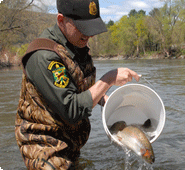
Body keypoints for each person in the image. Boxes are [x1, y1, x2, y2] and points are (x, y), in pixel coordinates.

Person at [15, 0, 140, 169]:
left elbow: (76, 87)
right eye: (82, 28)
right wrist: (109, 79)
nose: (88, 35)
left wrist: (103, 98)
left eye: (91, 28)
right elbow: (72, 109)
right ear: (61, 20)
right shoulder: (44, 56)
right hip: (44, 148)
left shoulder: (75, 46)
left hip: (70, 145)